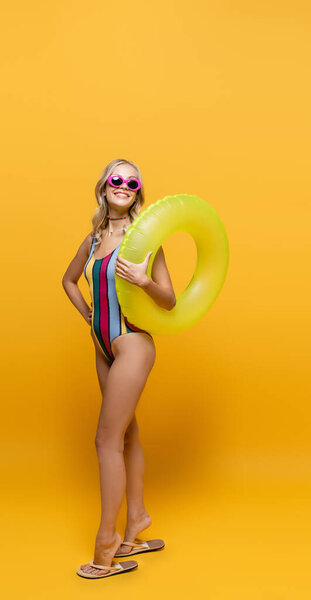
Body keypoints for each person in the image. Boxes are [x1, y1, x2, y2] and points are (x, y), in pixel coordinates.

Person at [62, 158, 176, 578]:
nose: (124, 185)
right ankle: (136, 524)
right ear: (104, 186)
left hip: (132, 343)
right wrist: (89, 316)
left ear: (137, 192)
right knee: (127, 434)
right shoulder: (92, 241)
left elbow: (170, 300)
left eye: (133, 181)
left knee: (104, 440)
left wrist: (145, 281)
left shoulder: (146, 240)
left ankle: (106, 545)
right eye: (117, 178)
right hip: (102, 346)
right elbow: (69, 281)